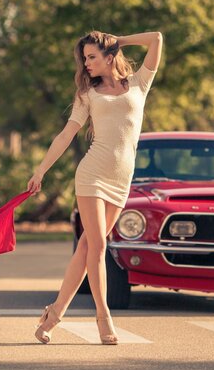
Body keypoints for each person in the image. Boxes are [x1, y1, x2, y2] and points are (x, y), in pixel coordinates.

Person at [27, 30, 162, 345]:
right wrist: (41, 169)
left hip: (120, 181)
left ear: (109, 56)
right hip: (91, 176)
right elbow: (66, 134)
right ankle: (103, 317)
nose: (86, 63)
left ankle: (54, 313)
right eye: (84, 58)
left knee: (88, 246)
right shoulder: (88, 94)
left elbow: (156, 39)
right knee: (99, 246)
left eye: (92, 57)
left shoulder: (139, 84)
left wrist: (120, 40)